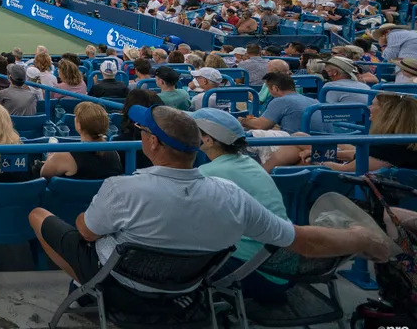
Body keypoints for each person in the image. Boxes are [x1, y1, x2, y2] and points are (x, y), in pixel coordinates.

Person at [28, 103, 391, 295]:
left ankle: (85, 287)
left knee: (44, 218)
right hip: (187, 286)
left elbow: (86, 233)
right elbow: (301, 241)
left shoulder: (121, 188)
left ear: (152, 143)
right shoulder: (230, 193)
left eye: (142, 130)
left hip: (122, 283)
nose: (139, 134)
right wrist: (358, 239)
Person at [191, 108, 293, 304]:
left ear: (208, 140)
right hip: (284, 268)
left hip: (256, 272)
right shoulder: (250, 163)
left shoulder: (207, 173)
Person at [39, 102, 122, 180]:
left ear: (78, 125)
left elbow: (43, 175)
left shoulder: (62, 156)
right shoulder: (115, 154)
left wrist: (51, 160)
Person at [241, 71, 327, 134]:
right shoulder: (314, 101)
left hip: (298, 145)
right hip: (325, 141)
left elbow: (261, 125)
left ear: (275, 88)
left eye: (268, 88)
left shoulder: (280, 101)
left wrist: (242, 121)